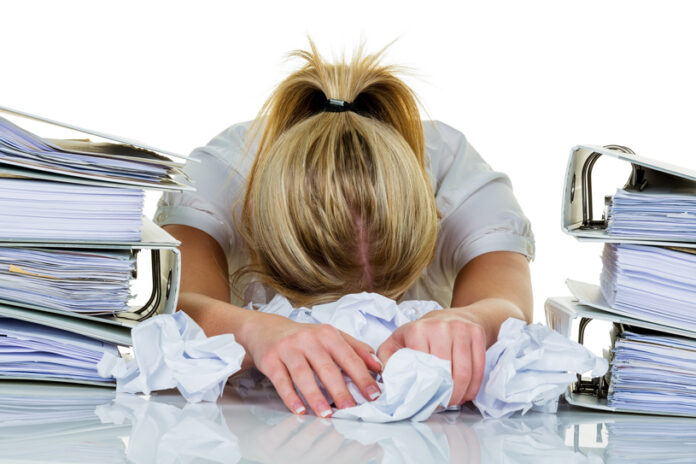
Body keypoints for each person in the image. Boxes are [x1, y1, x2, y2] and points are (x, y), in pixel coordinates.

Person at [155, 40, 535, 418]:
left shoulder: (459, 180)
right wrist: (253, 331)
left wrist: (472, 321)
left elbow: (509, 305)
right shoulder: (219, 177)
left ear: (431, 223)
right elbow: (175, 306)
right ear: (258, 227)